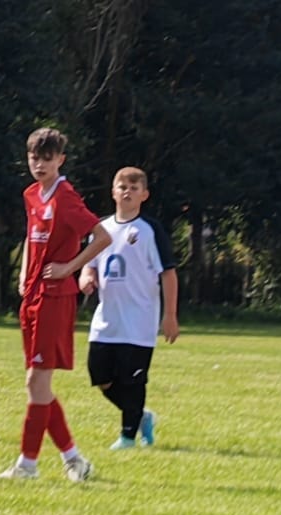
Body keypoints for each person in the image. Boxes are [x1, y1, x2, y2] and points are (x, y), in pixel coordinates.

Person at [0, 127, 111, 482]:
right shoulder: (33, 194)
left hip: (55, 298)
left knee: (37, 380)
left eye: (47, 158)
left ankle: (28, 466)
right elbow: (31, 236)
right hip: (32, 295)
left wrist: (69, 268)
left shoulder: (65, 198)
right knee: (38, 385)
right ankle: (75, 460)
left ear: (60, 160)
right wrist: (23, 270)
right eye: (34, 157)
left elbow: (102, 236)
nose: (39, 164)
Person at [78, 166, 179, 452]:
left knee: (133, 382)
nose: (127, 191)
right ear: (113, 192)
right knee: (100, 376)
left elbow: (168, 274)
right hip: (107, 321)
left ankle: (127, 436)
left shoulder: (149, 231)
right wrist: (87, 276)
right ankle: (142, 416)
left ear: (144, 195)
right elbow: (90, 262)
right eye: (122, 186)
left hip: (139, 322)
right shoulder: (101, 228)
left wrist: (169, 316)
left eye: (134, 188)